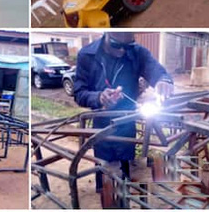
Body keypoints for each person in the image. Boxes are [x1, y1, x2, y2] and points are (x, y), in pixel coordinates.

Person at [73, 32, 174, 194]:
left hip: (127, 120)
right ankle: (105, 194)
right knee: (104, 162)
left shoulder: (137, 52)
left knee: (125, 159)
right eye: (116, 45)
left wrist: (164, 80)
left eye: (128, 46)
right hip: (101, 121)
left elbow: (156, 70)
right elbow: (79, 93)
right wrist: (99, 97)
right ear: (106, 36)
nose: (122, 51)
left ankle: (123, 191)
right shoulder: (87, 55)